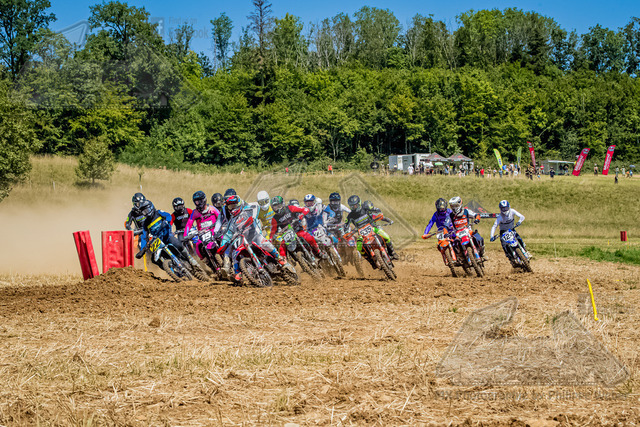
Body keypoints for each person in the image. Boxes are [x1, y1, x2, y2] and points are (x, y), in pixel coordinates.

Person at [218, 195, 288, 282]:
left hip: (254, 235)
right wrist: (223, 245)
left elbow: (256, 208)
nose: (232, 208)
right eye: (230, 207)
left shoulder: (247, 209)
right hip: (243, 240)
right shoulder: (232, 221)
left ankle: (278, 257)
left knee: (263, 242)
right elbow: (228, 234)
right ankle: (237, 273)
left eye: (234, 205)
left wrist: (252, 217)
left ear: (239, 204)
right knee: (234, 253)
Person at [136, 200, 200, 270]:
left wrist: (166, 221)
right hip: (158, 241)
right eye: (144, 212)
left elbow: (168, 215)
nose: (146, 213)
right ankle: (170, 269)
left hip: (167, 236)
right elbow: (144, 237)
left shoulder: (158, 212)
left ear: (151, 207)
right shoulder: (145, 223)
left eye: (147, 210)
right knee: (154, 260)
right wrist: (142, 250)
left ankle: (190, 258)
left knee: (178, 244)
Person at [344, 195, 398, 261]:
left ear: (359, 203)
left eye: (355, 205)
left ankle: (392, 253)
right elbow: (346, 225)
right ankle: (370, 261)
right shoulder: (350, 216)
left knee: (386, 236)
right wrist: (347, 232)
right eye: (352, 206)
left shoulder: (365, 207)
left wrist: (379, 214)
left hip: (373, 228)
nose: (354, 208)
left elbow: (376, 210)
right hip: (361, 234)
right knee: (359, 247)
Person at [183, 191, 221, 269]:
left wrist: (221, 225)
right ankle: (207, 262)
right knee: (197, 245)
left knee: (223, 239)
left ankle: (229, 257)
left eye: (200, 201)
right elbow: (189, 224)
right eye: (197, 201)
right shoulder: (195, 212)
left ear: (204, 200)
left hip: (214, 231)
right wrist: (185, 236)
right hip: (202, 234)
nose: (199, 203)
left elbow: (220, 217)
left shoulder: (212, 209)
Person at [448, 196, 486, 260]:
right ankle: (460, 257)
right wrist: (446, 228)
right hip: (458, 234)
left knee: (479, 238)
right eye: (452, 206)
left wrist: (477, 219)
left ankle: (483, 253)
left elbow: (476, 215)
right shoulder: (451, 215)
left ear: (460, 204)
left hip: (468, 231)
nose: (454, 208)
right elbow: (446, 223)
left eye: (455, 205)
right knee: (454, 244)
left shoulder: (466, 211)